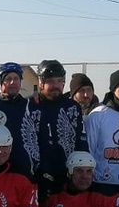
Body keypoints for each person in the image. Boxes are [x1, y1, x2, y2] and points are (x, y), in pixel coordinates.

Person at [30, 58, 86, 199]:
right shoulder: (29, 106)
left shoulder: (73, 107)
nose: (55, 85)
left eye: (59, 81)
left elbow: (81, 141)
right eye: (50, 81)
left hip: (66, 174)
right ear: (41, 82)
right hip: (36, 177)